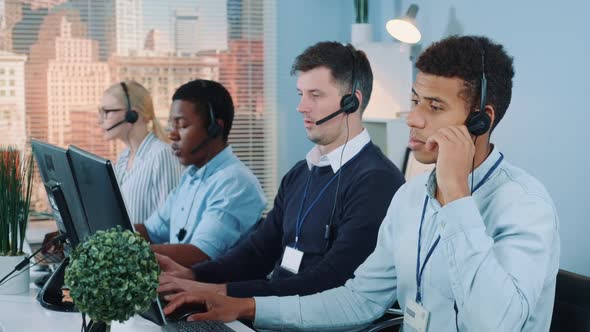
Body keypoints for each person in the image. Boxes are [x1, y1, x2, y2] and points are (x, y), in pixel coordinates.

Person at [162, 36, 560, 332]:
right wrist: (246, 307)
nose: (414, 118)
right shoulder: (411, 197)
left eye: (434, 107)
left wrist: (457, 198)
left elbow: (497, 323)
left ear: (481, 120)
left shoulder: (524, 205)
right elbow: (359, 299)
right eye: (416, 100)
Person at [156, 41, 406, 301]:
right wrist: (193, 276)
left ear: (351, 103)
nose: (301, 107)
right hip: (272, 314)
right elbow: (257, 252)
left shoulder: (377, 182)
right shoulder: (301, 174)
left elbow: (330, 281)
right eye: (301, 94)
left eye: (315, 95)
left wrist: (220, 293)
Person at [134, 79, 267, 267]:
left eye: (182, 125)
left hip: (208, 291)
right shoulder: (191, 176)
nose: (172, 135)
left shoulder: (235, 182)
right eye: (172, 125)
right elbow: (151, 230)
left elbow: (200, 254)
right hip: (181, 285)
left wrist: (126, 251)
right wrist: (105, 236)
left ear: (215, 128)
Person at [98, 80, 183, 224]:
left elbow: (169, 224)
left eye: (106, 112)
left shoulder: (162, 156)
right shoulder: (124, 158)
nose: (99, 120)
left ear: (133, 115)